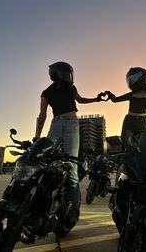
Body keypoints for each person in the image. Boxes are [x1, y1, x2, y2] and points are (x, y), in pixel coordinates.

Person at [33, 61, 104, 211]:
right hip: (56, 124)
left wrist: (96, 99)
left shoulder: (71, 88)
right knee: (45, 159)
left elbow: (81, 100)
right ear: (57, 75)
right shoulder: (46, 93)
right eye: (66, 74)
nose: (69, 77)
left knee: (71, 166)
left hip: (72, 124)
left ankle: (75, 205)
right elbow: (42, 115)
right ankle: (39, 198)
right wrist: (37, 136)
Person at [106, 67, 146, 147]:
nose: (131, 81)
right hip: (129, 122)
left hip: (143, 123)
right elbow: (115, 100)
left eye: (133, 78)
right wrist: (109, 94)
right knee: (127, 147)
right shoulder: (132, 94)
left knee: (143, 147)